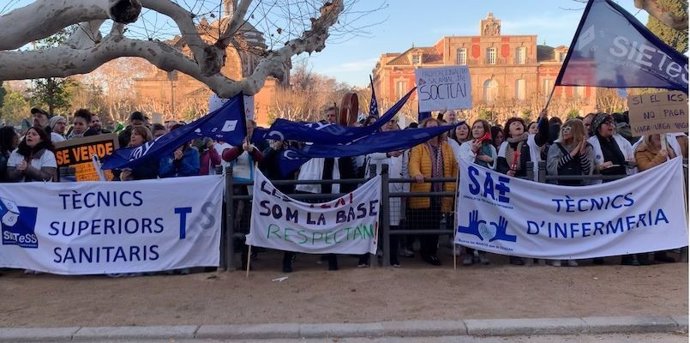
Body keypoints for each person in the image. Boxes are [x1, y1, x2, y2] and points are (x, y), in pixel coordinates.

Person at [408, 118, 457, 266]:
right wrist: (416, 174)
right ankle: (425, 251)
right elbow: (413, 163)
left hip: (441, 191)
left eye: (435, 127)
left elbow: (454, 165)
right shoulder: (419, 147)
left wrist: (455, 180)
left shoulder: (446, 147)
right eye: (429, 127)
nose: (432, 130)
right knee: (424, 223)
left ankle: (432, 252)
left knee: (435, 223)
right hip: (424, 190)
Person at [546, 119, 594, 267]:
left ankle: (572, 254)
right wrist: (572, 154)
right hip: (559, 189)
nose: (566, 130)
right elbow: (552, 167)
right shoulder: (556, 146)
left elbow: (588, 171)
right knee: (559, 223)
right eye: (564, 128)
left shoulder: (588, 147)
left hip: (577, 189)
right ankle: (557, 254)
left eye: (569, 128)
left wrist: (581, 154)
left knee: (574, 224)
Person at [634, 133, 679, 264]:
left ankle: (661, 251)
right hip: (649, 192)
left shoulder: (668, 148)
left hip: (665, 191)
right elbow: (645, 169)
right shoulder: (641, 150)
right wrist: (660, 157)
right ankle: (643, 254)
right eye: (657, 137)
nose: (660, 138)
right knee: (647, 223)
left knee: (662, 221)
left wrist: (671, 154)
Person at [458, 119, 495, 265]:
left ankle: (482, 251)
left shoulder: (490, 147)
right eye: (474, 127)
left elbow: (494, 165)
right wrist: (473, 152)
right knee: (469, 219)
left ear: (485, 130)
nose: (476, 130)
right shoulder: (465, 146)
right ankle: (468, 252)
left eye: (480, 127)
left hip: (485, 188)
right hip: (469, 188)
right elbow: (463, 162)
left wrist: (489, 160)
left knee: (485, 218)